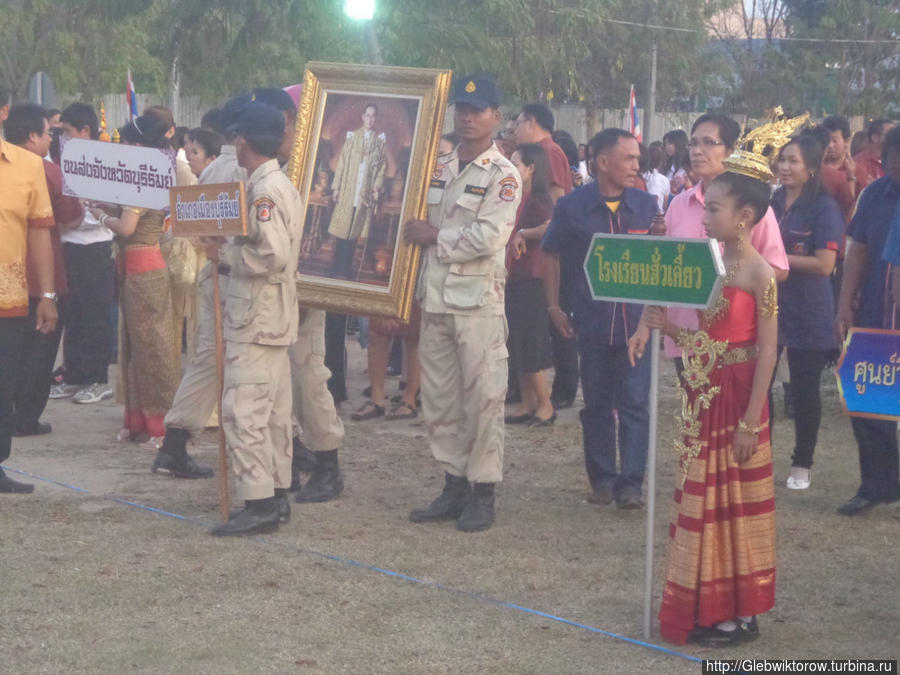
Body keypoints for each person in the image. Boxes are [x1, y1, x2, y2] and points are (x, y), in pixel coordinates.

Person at [636, 166, 778, 647]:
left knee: (734, 502)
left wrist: (750, 422)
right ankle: (705, 602)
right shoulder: (707, 265)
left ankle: (739, 613)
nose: (704, 217)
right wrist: (669, 329)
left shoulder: (761, 275)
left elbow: (767, 352)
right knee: (701, 495)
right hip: (703, 391)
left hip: (739, 398)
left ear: (745, 216)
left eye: (714, 209)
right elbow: (707, 339)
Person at [404, 75, 521, 532]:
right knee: (439, 398)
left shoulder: (503, 175)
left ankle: (483, 490)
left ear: (497, 116)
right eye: (463, 108)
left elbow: (489, 237)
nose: (468, 117)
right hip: (435, 299)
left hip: (477, 305)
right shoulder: (439, 167)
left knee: (484, 398)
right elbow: (412, 222)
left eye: (479, 109)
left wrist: (435, 236)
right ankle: (452, 483)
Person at [542, 128, 656, 509]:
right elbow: (552, 254)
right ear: (602, 162)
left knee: (636, 405)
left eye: (638, 159)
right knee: (596, 406)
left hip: (636, 327)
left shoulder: (647, 205)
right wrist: (554, 306)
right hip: (590, 323)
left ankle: (632, 485)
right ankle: (603, 479)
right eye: (629, 158)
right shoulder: (572, 207)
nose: (636, 165)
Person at [207, 101, 302, 536]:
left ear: (243, 141)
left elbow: (272, 254)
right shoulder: (277, 182)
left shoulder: (263, 190)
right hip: (272, 314)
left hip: (256, 313)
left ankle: (260, 500)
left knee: (243, 409)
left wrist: (225, 256)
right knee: (275, 412)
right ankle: (276, 491)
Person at [252, 85, 347, 503]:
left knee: (309, 379)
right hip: (269, 295)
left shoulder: (311, 166)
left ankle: (329, 465)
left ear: (288, 122)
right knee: (275, 386)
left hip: (305, 289)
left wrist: (312, 290)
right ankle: (285, 463)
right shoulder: (270, 168)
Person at [151, 95, 250, 479]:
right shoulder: (240, 171)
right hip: (232, 277)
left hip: (218, 274)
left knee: (210, 358)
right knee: (247, 363)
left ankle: (173, 443)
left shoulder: (214, 171)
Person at [655, 114, 789, 379]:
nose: (697, 151)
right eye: (693, 143)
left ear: (730, 151)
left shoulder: (749, 207)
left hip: (735, 343)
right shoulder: (679, 205)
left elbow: (778, 269)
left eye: (708, 142)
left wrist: (722, 280)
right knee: (695, 415)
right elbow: (664, 267)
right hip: (684, 334)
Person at [88, 116, 180, 445]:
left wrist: (100, 215)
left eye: (126, 143)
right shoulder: (149, 171)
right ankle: (142, 420)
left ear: (138, 146)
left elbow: (127, 228)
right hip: (138, 264)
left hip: (143, 266)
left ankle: (161, 423)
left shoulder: (141, 176)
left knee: (152, 348)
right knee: (134, 346)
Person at [6, 104, 83, 437]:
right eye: (49, 133)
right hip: (37, 282)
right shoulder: (49, 171)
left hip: (17, 286)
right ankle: (23, 418)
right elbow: (72, 216)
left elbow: (49, 225)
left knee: (13, 358)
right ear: (33, 135)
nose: (51, 139)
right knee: (37, 356)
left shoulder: (30, 169)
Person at [835, 125, 900, 516]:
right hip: (876, 313)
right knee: (868, 403)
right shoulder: (875, 194)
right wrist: (844, 306)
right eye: (895, 165)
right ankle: (878, 485)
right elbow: (857, 251)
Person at [772, 135, 842, 490]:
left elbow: (825, 264)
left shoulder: (823, 208)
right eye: (782, 159)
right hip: (768, 307)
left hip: (808, 310)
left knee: (804, 390)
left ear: (811, 168)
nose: (784, 167)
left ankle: (802, 463)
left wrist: (776, 262)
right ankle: (756, 455)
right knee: (759, 383)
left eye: (793, 161)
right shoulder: (771, 202)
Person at [0, 106, 58, 493]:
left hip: (10, 300)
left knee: (4, 383)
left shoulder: (26, 164)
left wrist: (48, 295)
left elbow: (40, 234)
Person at [512, 103, 579, 410]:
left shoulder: (545, 152)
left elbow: (555, 207)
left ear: (532, 122)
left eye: (518, 123)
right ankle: (537, 395)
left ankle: (561, 391)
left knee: (551, 319)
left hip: (543, 255)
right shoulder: (550, 150)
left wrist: (530, 233)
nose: (515, 130)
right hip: (538, 254)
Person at [49, 103, 115, 405]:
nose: (61, 137)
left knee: (95, 316)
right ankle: (73, 375)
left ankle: (97, 378)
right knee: (72, 315)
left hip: (96, 246)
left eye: (67, 131)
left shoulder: (107, 163)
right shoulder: (61, 160)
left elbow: (109, 208)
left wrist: (83, 213)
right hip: (68, 245)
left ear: (85, 131)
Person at [504, 143, 555, 427]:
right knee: (517, 343)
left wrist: (523, 232)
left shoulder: (538, 199)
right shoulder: (516, 197)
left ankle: (545, 404)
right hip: (514, 276)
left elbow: (552, 225)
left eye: (516, 163)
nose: (510, 167)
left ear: (531, 167)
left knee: (530, 343)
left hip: (531, 279)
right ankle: (527, 402)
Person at [327, 102, 386, 279]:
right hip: (348, 189)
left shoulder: (379, 141)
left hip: (364, 192)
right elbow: (343, 163)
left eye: (373, 116)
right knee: (342, 230)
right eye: (367, 115)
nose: (370, 119)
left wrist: (376, 186)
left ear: (376, 119)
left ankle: (346, 269)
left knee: (354, 231)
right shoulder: (352, 137)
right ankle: (336, 267)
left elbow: (382, 166)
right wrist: (336, 187)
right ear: (362, 117)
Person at [822, 116, 858, 201]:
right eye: (827, 140)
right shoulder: (814, 168)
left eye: (835, 141)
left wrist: (851, 177)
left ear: (847, 141)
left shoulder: (858, 171)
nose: (830, 145)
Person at [854, 119, 895, 191]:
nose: (895, 138)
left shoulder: (895, 161)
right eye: (890, 134)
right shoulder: (859, 163)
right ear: (875, 138)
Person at [643, 141, 671, 212]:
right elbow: (665, 205)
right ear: (663, 161)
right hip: (658, 219)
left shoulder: (641, 176)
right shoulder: (664, 180)